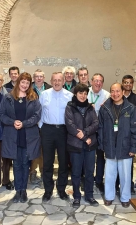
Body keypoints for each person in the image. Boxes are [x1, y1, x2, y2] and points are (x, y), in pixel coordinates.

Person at [0, 72, 42, 203]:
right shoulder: (8, 97)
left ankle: (24, 191)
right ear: (18, 82)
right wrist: (13, 122)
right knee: (16, 164)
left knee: (25, 163)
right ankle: (18, 191)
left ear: (30, 84)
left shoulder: (34, 97)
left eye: (27, 83)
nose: (24, 85)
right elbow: (1, 114)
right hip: (13, 135)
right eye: (22, 82)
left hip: (28, 135)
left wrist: (24, 123)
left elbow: (37, 116)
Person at [98, 83, 136, 207]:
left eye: (117, 91)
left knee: (125, 175)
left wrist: (134, 148)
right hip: (110, 146)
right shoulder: (104, 108)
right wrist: (102, 145)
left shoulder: (131, 108)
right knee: (110, 174)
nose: (115, 94)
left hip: (126, 147)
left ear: (122, 92)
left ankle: (125, 197)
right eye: (112, 91)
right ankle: (109, 196)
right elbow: (100, 128)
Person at [39, 72, 73, 202]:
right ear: (51, 81)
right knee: (47, 162)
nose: (57, 82)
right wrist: (42, 127)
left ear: (64, 81)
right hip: (47, 130)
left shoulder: (69, 96)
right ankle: (48, 190)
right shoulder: (44, 94)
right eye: (55, 80)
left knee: (63, 162)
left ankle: (61, 189)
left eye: (59, 80)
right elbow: (40, 112)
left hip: (63, 131)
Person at [65, 84, 99, 208]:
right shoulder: (70, 107)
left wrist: (85, 133)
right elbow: (70, 125)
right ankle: (77, 197)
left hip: (90, 145)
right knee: (76, 172)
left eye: (85, 93)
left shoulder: (90, 107)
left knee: (89, 171)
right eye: (80, 93)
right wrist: (84, 138)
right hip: (75, 145)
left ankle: (89, 195)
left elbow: (96, 123)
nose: (83, 96)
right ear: (75, 94)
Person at [119, 75, 136, 194]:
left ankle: (129, 185)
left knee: (129, 161)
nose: (128, 84)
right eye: (125, 82)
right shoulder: (117, 96)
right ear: (122, 83)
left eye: (130, 83)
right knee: (118, 161)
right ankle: (118, 184)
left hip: (130, 134)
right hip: (118, 134)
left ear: (132, 84)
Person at [87, 73, 110, 193]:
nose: (98, 83)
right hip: (88, 130)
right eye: (95, 80)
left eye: (100, 81)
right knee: (87, 156)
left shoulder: (107, 95)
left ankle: (99, 181)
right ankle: (86, 179)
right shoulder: (85, 93)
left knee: (100, 156)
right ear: (91, 82)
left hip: (101, 130)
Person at [29, 69, 52, 184]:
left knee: (44, 149)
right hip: (32, 123)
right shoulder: (28, 89)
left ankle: (43, 171)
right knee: (33, 149)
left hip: (45, 123)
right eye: (36, 76)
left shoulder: (50, 88)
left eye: (41, 76)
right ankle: (32, 172)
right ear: (34, 78)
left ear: (44, 78)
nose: (39, 78)